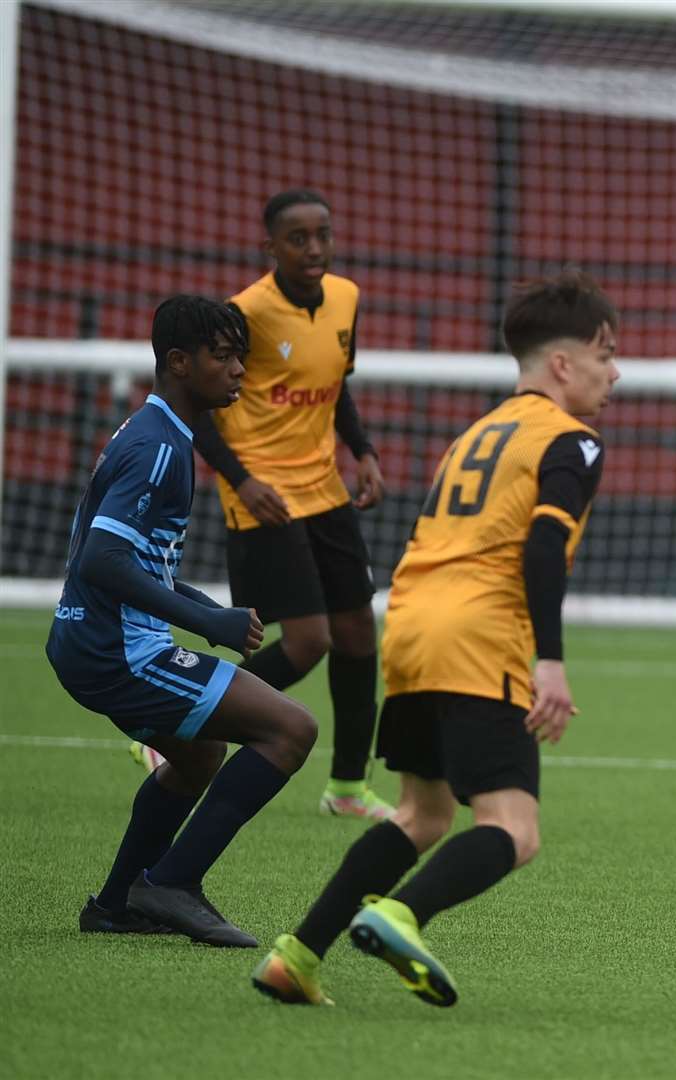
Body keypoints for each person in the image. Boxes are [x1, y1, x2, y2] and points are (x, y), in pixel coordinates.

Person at [252, 270, 618, 1007]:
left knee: (422, 814)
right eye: (605, 353)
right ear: (562, 363)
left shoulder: (477, 433)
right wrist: (550, 661)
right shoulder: (571, 441)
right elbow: (543, 551)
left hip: (413, 624)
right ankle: (400, 915)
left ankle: (295, 957)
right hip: (480, 634)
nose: (616, 372)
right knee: (514, 829)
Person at [52, 295, 316, 947]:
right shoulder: (160, 447)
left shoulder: (161, 433)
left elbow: (132, 559)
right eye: (223, 357)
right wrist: (209, 623)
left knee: (198, 755)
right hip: (118, 652)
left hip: (93, 641)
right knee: (291, 729)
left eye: (241, 358)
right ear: (178, 362)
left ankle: (115, 904)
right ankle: (171, 883)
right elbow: (102, 559)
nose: (238, 372)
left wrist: (202, 611)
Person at [182, 188, 392, 820]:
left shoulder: (346, 298)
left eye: (323, 234)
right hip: (265, 494)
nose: (315, 248)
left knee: (357, 633)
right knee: (307, 642)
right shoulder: (243, 313)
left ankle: (348, 789)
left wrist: (364, 452)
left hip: (324, 488)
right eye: (298, 238)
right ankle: (176, 729)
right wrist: (242, 480)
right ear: (269, 247)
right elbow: (198, 404)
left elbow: (334, 388)